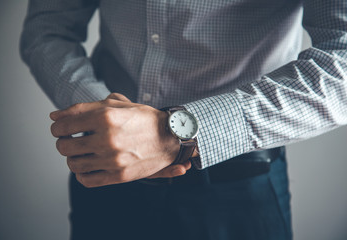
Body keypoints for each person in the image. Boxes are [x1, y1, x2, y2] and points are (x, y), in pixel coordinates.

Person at [20, 0, 347, 239]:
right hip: (107, 169)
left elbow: (341, 62)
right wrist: (105, 117)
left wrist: (171, 134)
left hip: (241, 189)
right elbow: (47, 29)